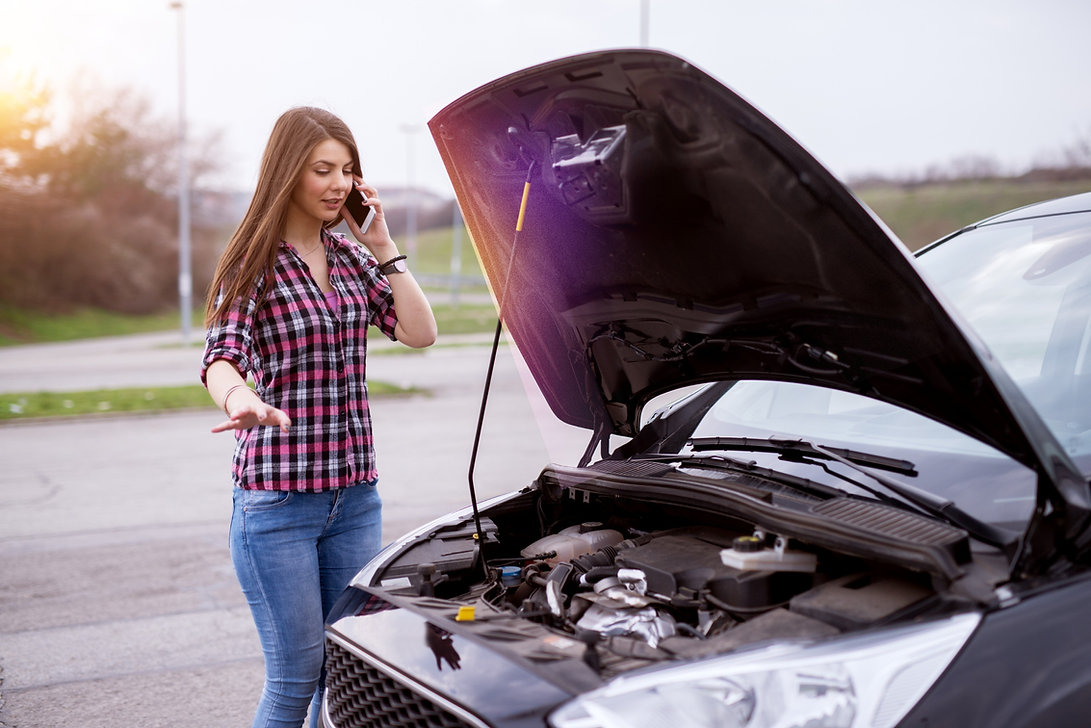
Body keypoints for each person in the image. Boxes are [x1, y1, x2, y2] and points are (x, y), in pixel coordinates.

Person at [200, 106, 437, 728]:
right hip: (278, 503)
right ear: (288, 174)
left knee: (346, 671)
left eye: (348, 171)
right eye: (322, 169)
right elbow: (220, 359)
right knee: (296, 676)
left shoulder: (354, 258)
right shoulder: (252, 263)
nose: (338, 184)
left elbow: (420, 332)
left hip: (355, 498)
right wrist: (239, 399)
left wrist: (383, 245)